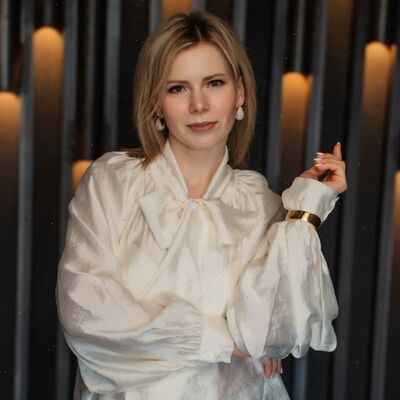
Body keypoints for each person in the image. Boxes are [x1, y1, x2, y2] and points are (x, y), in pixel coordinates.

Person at [56, 11, 347, 400]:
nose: (199, 104)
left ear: (239, 93)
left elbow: (275, 334)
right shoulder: (112, 182)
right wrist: (227, 341)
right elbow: (87, 312)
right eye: (178, 88)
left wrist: (307, 207)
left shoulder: (262, 205)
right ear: (156, 102)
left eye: (214, 83)